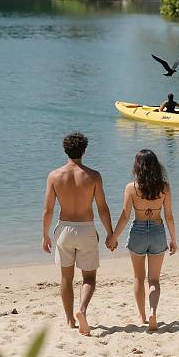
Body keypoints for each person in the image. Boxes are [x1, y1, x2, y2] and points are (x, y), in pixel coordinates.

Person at [42, 132, 116, 336]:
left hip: (64, 229)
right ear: (84, 150)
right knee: (89, 278)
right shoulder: (93, 176)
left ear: (65, 150)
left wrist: (45, 234)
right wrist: (110, 233)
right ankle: (81, 310)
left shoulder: (55, 176)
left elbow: (48, 209)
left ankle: (69, 320)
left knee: (66, 277)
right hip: (86, 228)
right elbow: (103, 208)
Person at [108, 149, 176, 331]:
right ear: (156, 166)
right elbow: (169, 216)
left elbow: (124, 216)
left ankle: (142, 315)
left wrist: (113, 237)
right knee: (154, 280)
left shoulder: (131, 188)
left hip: (138, 230)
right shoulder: (164, 187)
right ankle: (153, 312)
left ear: (137, 167)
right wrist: (173, 239)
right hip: (157, 230)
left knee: (138, 277)